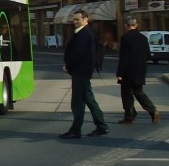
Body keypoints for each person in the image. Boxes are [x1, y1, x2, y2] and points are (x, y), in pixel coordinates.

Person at [61, 8, 109, 139]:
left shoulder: (84, 33)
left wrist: (68, 66)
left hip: (80, 71)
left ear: (85, 20)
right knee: (88, 99)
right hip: (82, 71)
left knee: (77, 103)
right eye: (74, 19)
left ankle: (76, 130)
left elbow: (79, 54)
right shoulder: (84, 32)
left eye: (78, 19)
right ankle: (102, 126)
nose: (75, 21)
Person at [116, 15, 161, 125]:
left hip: (128, 70)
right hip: (140, 69)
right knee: (139, 92)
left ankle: (129, 116)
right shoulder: (143, 38)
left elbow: (124, 57)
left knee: (127, 94)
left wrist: (120, 73)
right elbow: (148, 55)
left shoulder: (125, 38)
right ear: (136, 25)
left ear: (126, 26)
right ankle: (152, 110)